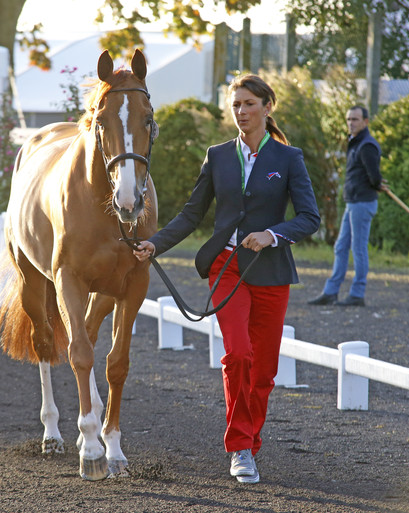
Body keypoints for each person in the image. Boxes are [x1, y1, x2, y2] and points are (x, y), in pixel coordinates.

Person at [133, 74, 320, 483]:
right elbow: (191, 213)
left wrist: (272, 234)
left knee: (264, 370)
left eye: (249, 103)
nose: (241, 112)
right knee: (238, 354)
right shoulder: (217, 155)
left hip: (270, 270)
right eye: (236, 105)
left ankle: (251, 443)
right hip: (227, 266)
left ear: (267, 107)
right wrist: (155, 244)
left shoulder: (290, 159)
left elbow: (310, 218)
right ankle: (239, 448)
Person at [308, 105, 388, 307]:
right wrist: (377, 183)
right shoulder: (356, 143)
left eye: (355, 119)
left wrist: (378, 184)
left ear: (365, 122)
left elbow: (374, 176)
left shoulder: (367, 145)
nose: (351, 123)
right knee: (341, 246)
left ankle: (357, 294)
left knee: (358, 249)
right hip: (353, 202)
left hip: (362, 203)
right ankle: (331, 292)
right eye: (348, 119)